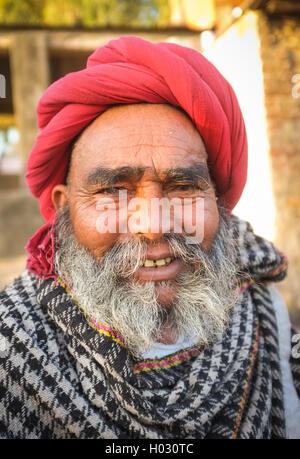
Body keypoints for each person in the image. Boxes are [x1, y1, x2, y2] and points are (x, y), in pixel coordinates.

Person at [0, 36, 299, 439]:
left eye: (183, 187)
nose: (153, 226)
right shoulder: (10, 348)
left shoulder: (267, 313)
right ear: (63, 208)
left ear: (216, 200)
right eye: (112, 191)